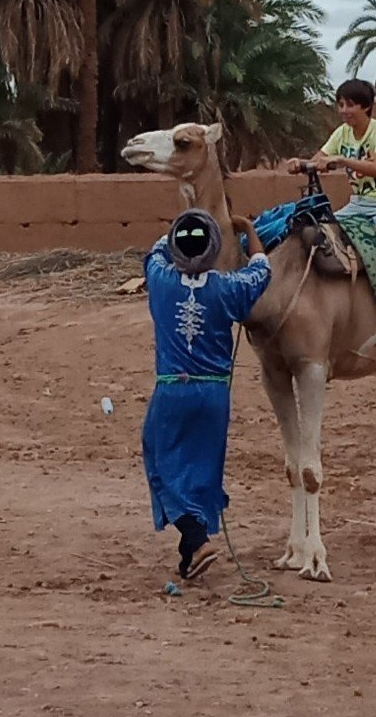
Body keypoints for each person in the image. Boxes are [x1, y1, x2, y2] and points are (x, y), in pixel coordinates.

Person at [142, 209, 271, 581]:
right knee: (202, 469)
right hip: (215, 393)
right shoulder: (228, 288)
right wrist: (247, 230)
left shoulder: (160, 279)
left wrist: (186, 221)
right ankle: (189, 554)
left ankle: (197, 540)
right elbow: (261, 269)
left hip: (173, 390)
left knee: (160, 464)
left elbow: (157, 250)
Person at [288, 78, 376, 345]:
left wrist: (342, 160)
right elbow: (320, 158)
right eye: (341, 104)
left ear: (366, 107)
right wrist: (301, 164)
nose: (344, 110)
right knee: (319, 232)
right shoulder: (342, 133)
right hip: (358, 203)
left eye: (351, 105)